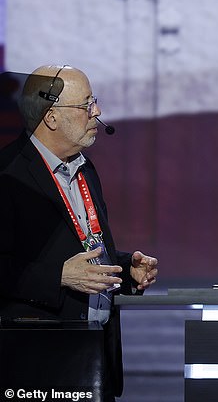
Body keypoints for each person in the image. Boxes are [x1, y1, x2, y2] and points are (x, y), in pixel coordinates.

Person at [0, 65, 158, 401]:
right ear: (52, 117)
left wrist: (124, 268)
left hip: (93, 354)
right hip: (36, 363)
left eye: (94, 101)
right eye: (86, 105)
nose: (97, 112)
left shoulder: (85, 169)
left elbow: (82, 248)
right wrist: (58, 276)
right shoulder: (8, 174)